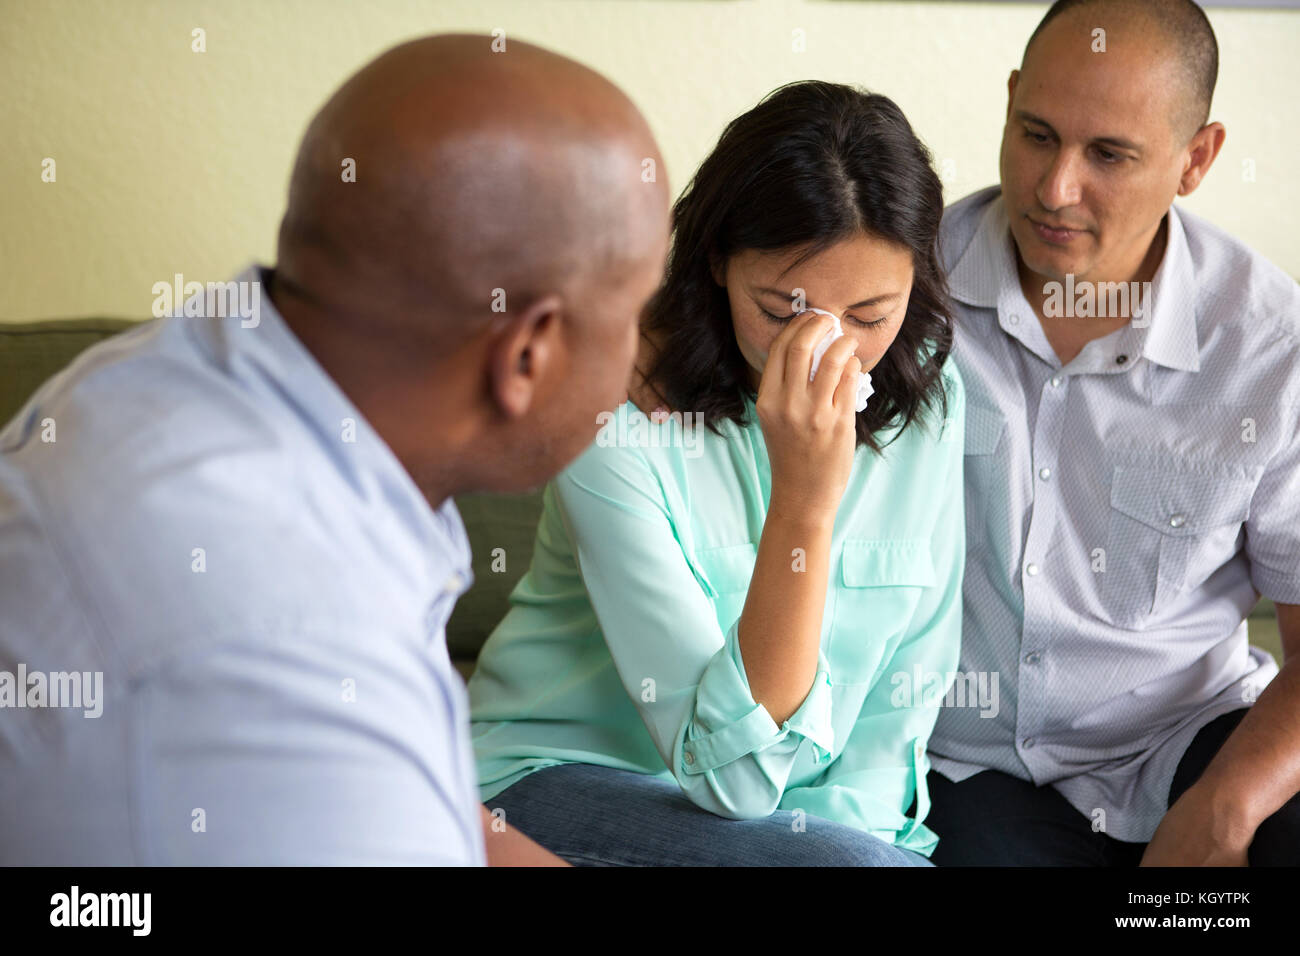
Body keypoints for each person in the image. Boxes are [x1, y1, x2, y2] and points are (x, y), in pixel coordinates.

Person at [0, 34, 670, 865]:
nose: (650, 352)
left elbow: (431, 812)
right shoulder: (282, 645)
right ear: (528, 354)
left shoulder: (190, 369)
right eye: (638, 310)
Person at [469, 80, 965, 866]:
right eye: (779, 311)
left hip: (811, 831)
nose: (824, 355)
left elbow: (907, 689)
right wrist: (804, 503)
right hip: (557, 784)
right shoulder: (613, 422)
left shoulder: (931, 395)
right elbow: (731, 782)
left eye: (869, 317)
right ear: (717, 264)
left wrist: (846, 837)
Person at [925, 0, 1300, 866]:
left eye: (1108, 155)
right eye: (1036, 134)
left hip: (1187, 742)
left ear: (1194, 159)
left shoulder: (1270, 350)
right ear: (1011, 99)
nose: (1055, 189)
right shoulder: (903, 287)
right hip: (965, 767)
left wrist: (1229, 806)